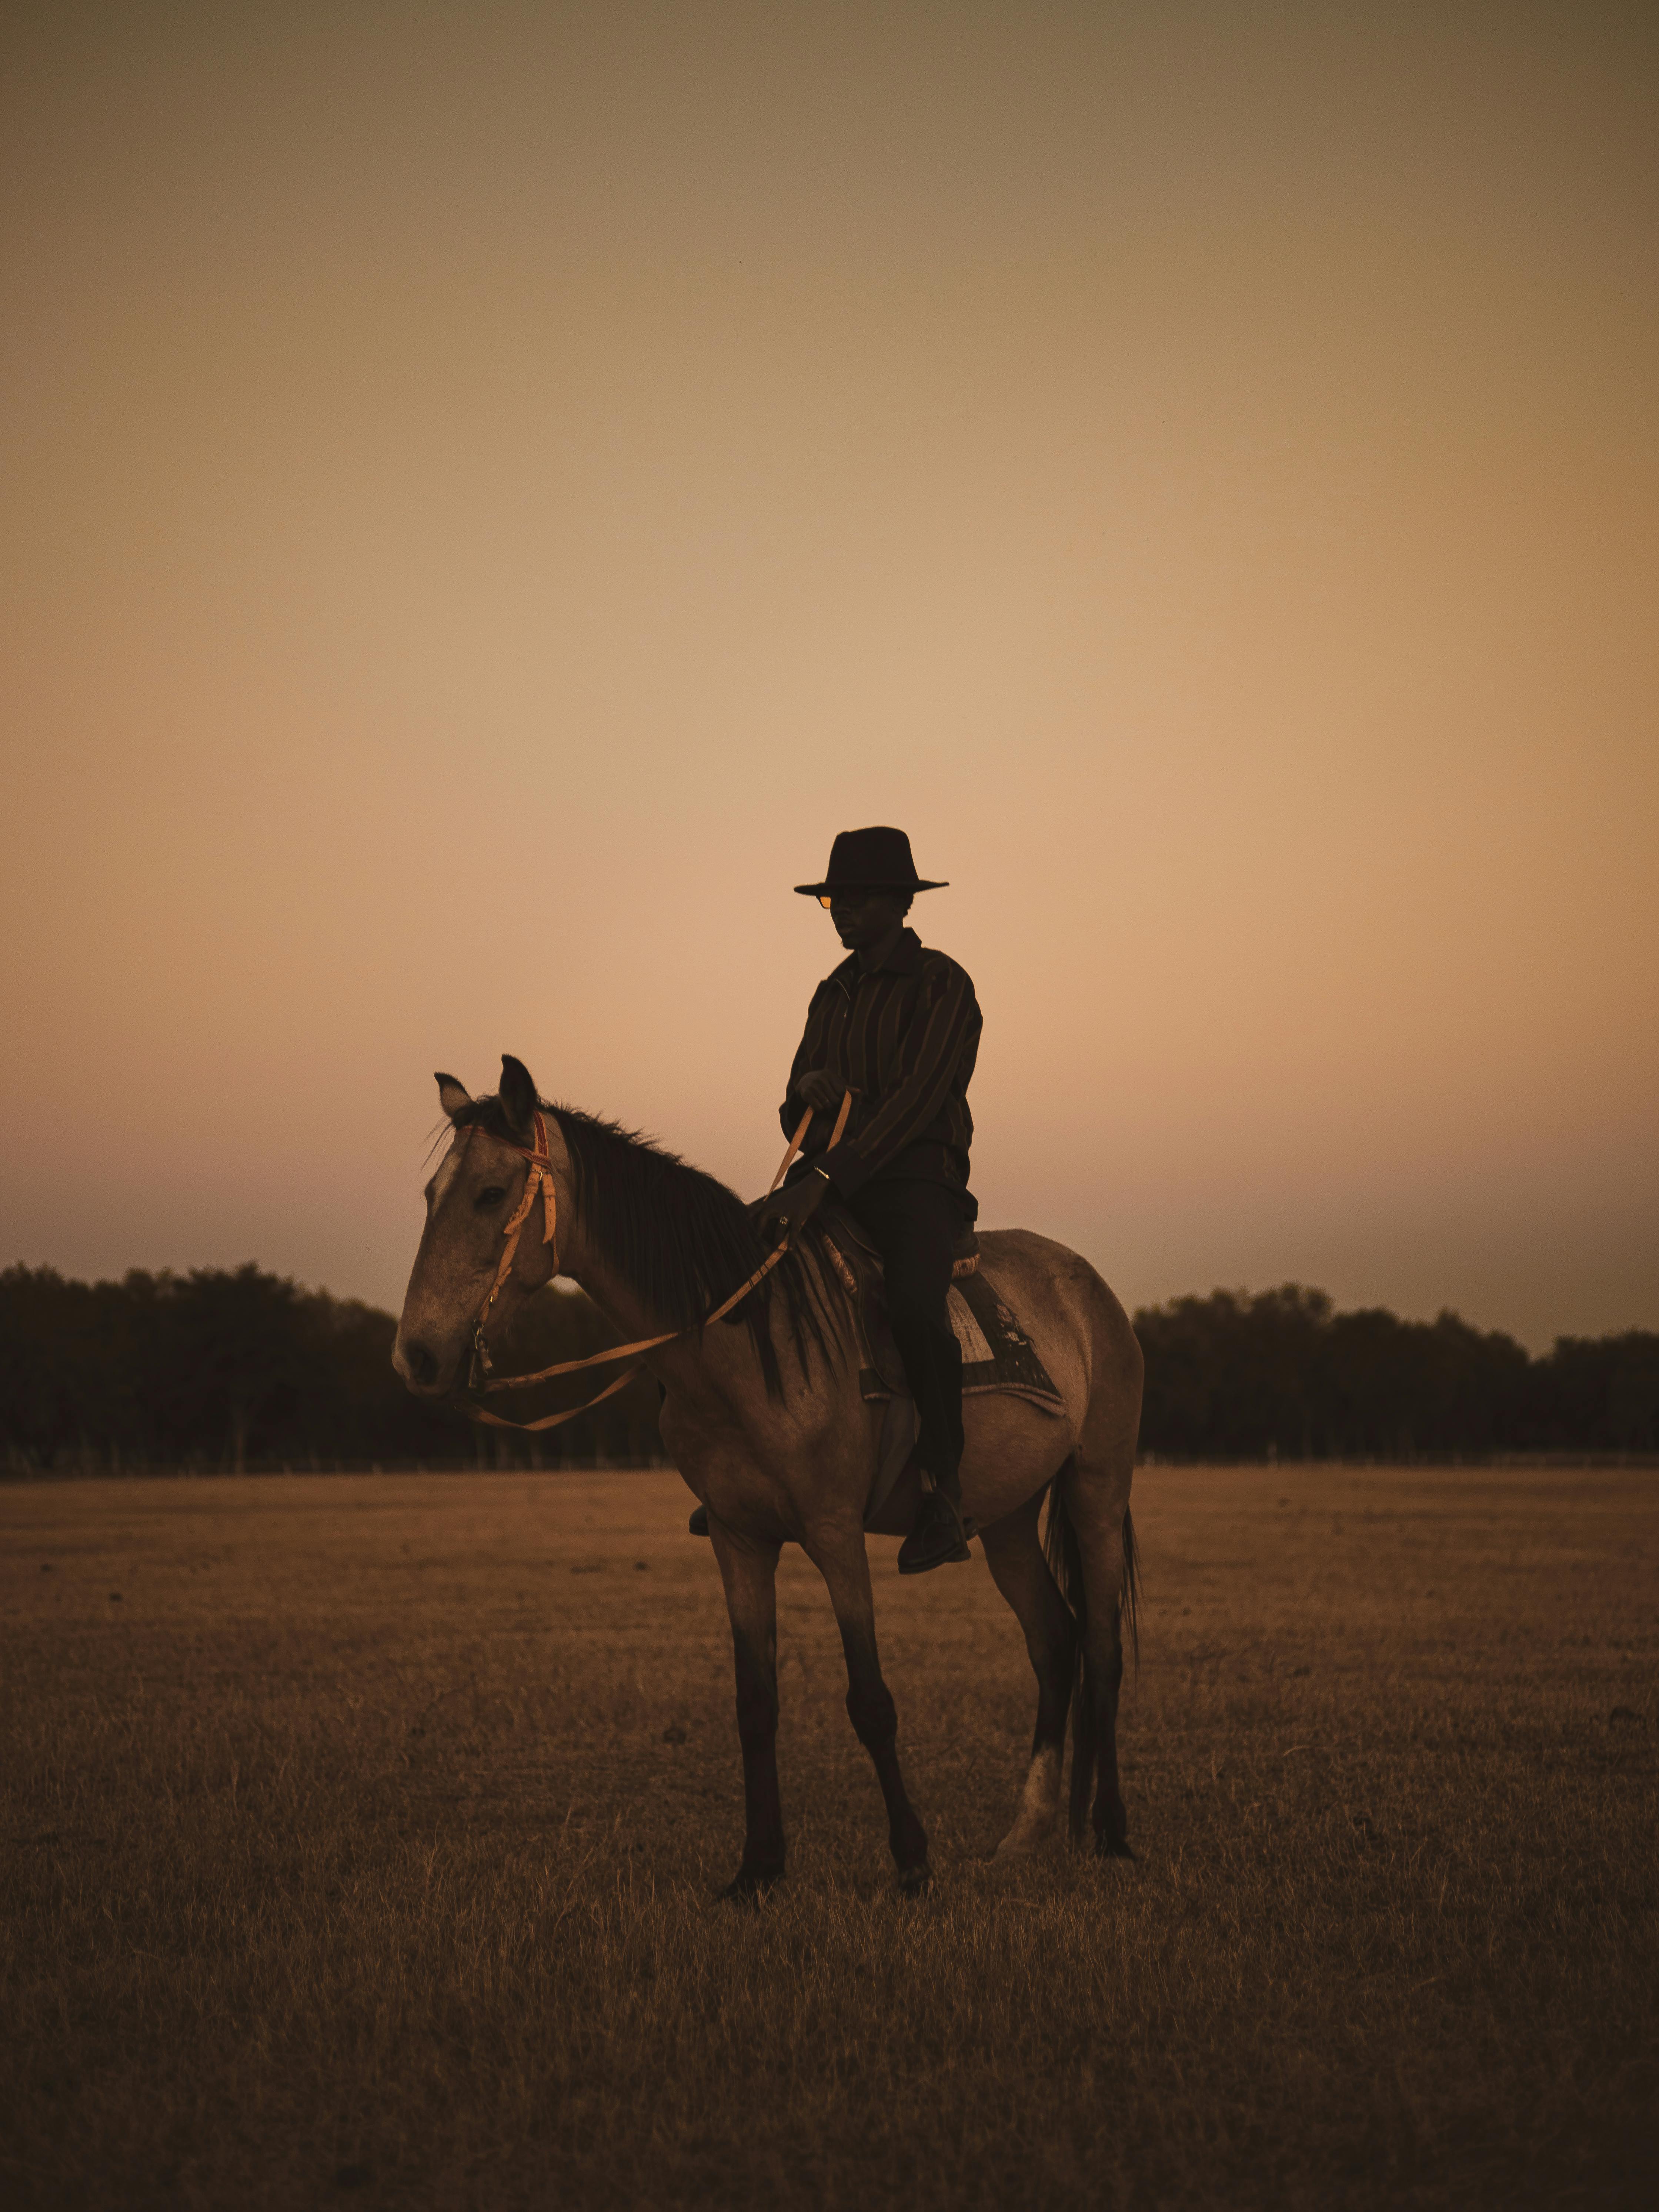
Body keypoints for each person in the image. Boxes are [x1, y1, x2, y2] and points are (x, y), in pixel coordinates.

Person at [762, 824, 984, 1575]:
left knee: (918, 1307)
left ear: (896, 901)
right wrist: (804, 1095)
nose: (838, 911)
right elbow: (793, 1112)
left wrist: (831, 1175)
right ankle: (752, 1469)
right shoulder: (833, 993)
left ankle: (944, 1491)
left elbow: (920, 1100)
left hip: (917, 1180)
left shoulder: (942, 984)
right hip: (832, 1176)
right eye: (831, 898)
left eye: (853, 898)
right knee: (743, 1273)